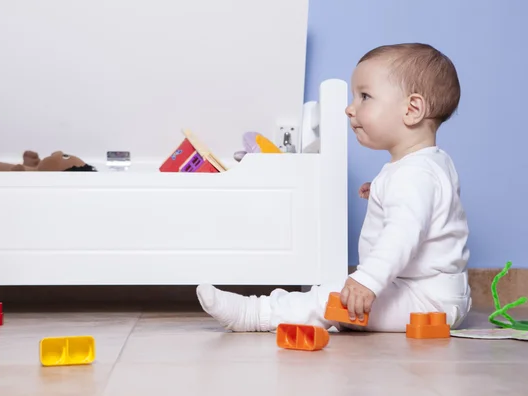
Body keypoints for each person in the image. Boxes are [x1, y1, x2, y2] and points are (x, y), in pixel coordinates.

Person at [196, 43, 472, 333]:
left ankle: (257, 314)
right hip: (432, 293)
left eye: (365, 96)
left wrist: (367, 280)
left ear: (412, 109)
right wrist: (379, 191)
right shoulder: (425, 166)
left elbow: (401, 236)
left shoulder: (414, 175)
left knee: (330, 299)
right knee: (338, 299)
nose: (350, 108)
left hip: (425, 300)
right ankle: (270, 310)